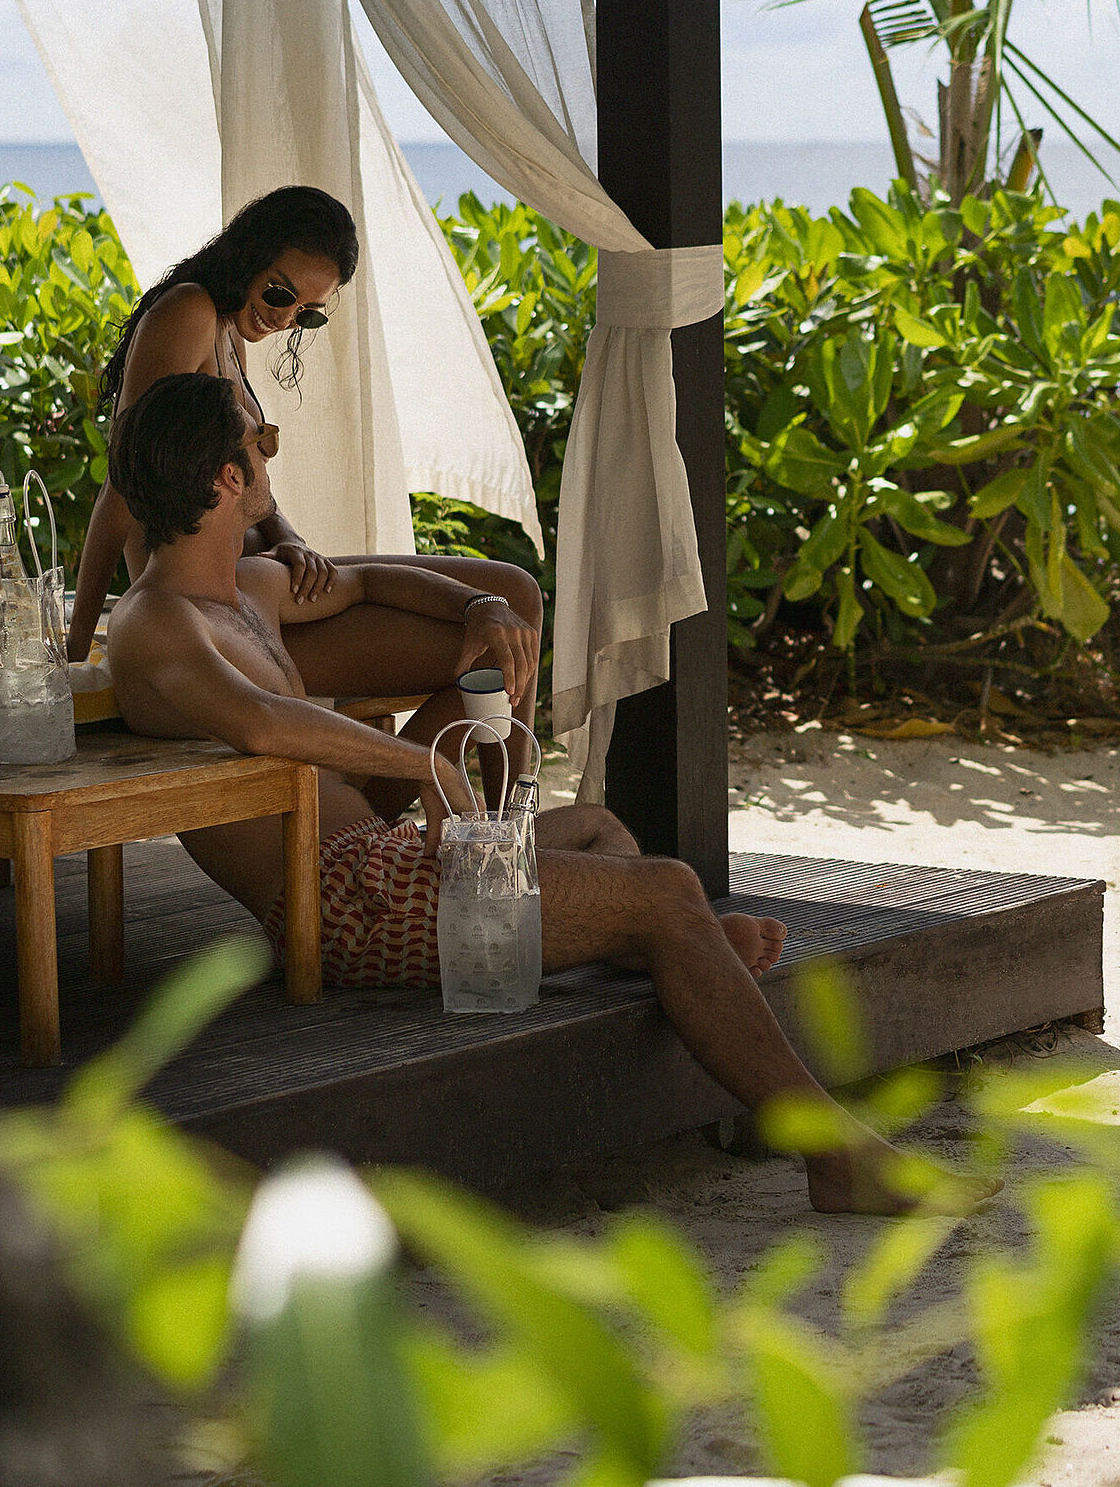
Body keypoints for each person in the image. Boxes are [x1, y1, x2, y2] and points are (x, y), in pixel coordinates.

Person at [102, 373, 990, 1216]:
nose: (271, 451)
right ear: (229, 477)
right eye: (261, 439)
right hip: (337, 902)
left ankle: (672, 953)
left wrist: (478, 609)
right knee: (669, 889)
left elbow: (366, 579)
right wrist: (426, 766)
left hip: (380, 861)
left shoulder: (248, 589)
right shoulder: (156, 622)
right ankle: (834, 1155)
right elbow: (262, 723)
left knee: (599, 830)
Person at [67, 185, 542, 773]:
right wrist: (77, 645)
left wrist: (286, 536)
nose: (285, 317)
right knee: (495, 646)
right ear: (248, 254)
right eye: (279, 293)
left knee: (514, 595)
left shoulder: (227, 328)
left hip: (257, 579)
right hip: (214, 599)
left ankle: (493, 807)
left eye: (307, 313)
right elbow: (124, 481)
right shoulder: (188, 312)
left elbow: (239, 468)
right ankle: (495, 816)